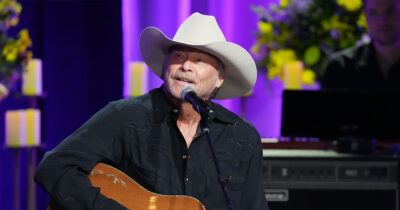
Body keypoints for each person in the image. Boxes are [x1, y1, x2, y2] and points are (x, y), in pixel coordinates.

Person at [35, 12, 269, 210]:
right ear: (166, 65)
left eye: (198, 60)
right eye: (178, 56)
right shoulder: (125, 117)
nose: (185, 66)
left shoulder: (242, 136)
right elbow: (55, 167)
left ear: (219, 78)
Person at [321, 0, 400, 91]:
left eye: (390, 11)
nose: (383, 20)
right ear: (365, 16)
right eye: (373, 12)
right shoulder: (340, 68)